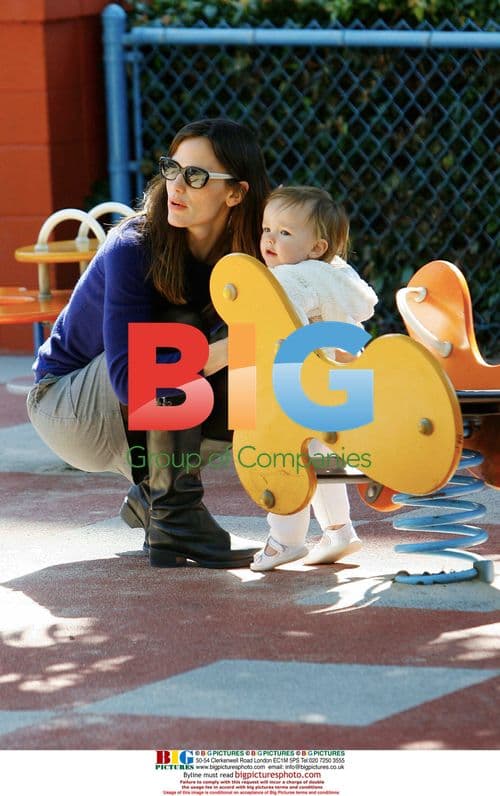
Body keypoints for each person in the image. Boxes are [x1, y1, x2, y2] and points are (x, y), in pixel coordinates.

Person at [27, 118, 270, 569]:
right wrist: (226, 351)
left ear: (236, 193)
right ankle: (175, 516)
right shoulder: (134, 245)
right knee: (183, 332)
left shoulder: (248, 256)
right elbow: (130, 384)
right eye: (172, 169)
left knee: (257, 372)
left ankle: (155, 502)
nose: (177, 185)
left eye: (196, 177)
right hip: (68, 404)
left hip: (136, 412)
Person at [251, 185, 378, 572]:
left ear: (318, 247)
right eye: (266, 228)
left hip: (300, 385)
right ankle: (339, 531)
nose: (270, 239)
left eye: (285, 233)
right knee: (323, 458)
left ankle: (284, 540)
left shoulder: (292, 278)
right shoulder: (338, 275)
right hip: (338, 384)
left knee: (285, 458)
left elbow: (284, 327)